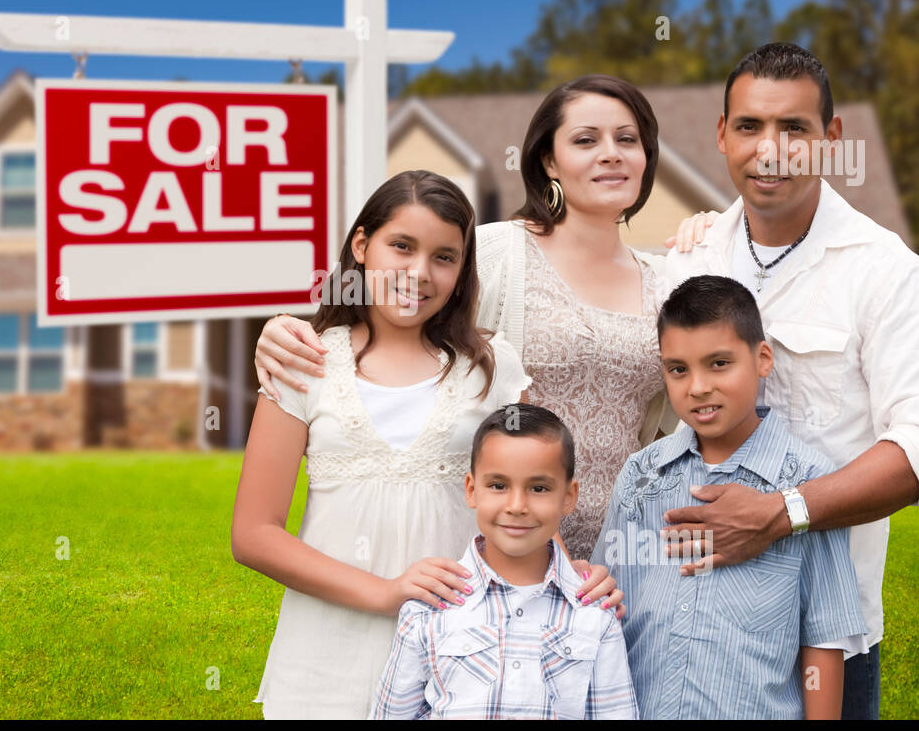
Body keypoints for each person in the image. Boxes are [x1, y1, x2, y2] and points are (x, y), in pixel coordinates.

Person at [253, 75, 714, 570]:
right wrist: (285, 329)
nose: (611, 153)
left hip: (627, 546)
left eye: (628, 140)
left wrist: (719, 232)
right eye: (585, 140)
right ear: (548, 161)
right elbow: (399, 316)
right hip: (499, 548)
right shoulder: (493, 253)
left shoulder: (673, 279)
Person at [659, 43, 919, 720]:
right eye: (749, 126)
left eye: (794, 128)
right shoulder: (687, 259)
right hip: (692, 619)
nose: (770, 149)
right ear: (721, 136)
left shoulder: (885, 271)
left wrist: (782, 514)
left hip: (826, 634)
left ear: (831, 137)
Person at [231, 169, 537, 719]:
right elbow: (253, 534)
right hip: (326, 657)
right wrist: (385, 591)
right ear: (362, 244)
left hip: (458, 652)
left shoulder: (492, 369)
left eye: (444, 257)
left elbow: (529, 503)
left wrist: (576, 577)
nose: (419, 273)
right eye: (402, 246)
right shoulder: (303, 362)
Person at [594, 275, 866, 719]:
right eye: (678, 369)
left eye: (719, 363)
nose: (697, 386)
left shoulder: (809, 483)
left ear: (762, 359)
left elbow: (824, 636)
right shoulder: (641, 475)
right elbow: (604, 604)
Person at [371, 404, 638, 719]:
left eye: (538, 488)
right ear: (471, 490)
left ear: (568, 496)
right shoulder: (429, 607)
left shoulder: (594, 613)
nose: (516, 506)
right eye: (498, 486)